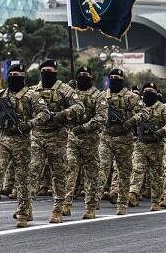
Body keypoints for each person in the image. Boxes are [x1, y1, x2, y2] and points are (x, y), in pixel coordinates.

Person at [0, 64, 50, 228]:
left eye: (17, 75)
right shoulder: (0, 95)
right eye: (12, 75)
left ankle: (23, 213)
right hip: (2, 139)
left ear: (23, 77)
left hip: (22, 142)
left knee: (23, 180)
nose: (14, 78)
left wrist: (30, 123)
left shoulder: (32, 95)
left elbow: (45, 113)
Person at [28, 59, 85, 224]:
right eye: (44, 70)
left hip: (58, 136)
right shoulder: (33, 91)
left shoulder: (65, 90)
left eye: (50, 70)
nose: (47, 72)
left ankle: (58, 210)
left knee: (59, 175)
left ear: (56, 72)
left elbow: (79, 107)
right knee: (32, 171)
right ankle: (26, 208)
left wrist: (64, 113)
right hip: (37, 135)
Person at [98, 68, 148, 215]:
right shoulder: (102, 96)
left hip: (124, 139)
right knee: (101, 169)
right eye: (112, 77)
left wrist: (131, 121)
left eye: (117, 78)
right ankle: (94, 201)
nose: (114, 80)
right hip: (106, 137)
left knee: (124, 172)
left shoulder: (131, 97)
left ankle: (122, 203)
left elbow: (144, 113)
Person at [63, 67, 107, 219]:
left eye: (86, 76)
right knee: (70, 169)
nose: (83, 78)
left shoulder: (98, 95)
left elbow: (102, 117)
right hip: (72, 138)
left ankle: (90, 207)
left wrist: (84, 127)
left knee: (91, 174)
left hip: (90, 140)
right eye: (80, 76)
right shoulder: (71, 93)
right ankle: (66, 204)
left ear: (91, 78)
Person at [127, 82, 166, 211]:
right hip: (140, 143)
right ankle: (133, 193)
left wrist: (163, 130)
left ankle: (155, 201)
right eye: (146, 90)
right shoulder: (138, 107)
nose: (148, 92)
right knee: (137, 169)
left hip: (156, 146)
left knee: (156, 175)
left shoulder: (163, 108)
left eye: (151, 90)